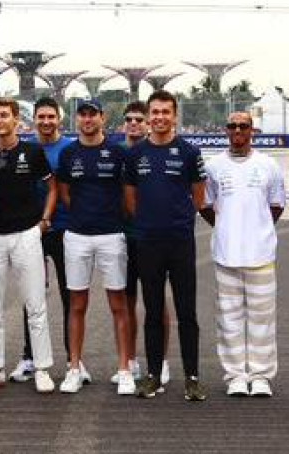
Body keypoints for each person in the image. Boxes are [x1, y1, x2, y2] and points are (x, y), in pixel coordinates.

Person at [0, 98, 57, 393]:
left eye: (4, 115)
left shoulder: (32, 151)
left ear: (17, 119)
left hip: (26, 233)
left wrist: (44, 220)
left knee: (35, 304)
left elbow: (52, 186)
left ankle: (42, 368)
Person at [125, 91, 208, 401]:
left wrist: (179, 220)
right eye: (155, 112)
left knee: (187, 311)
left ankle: (192, 377)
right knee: (153, 311)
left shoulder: (189, 152)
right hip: (148, 241)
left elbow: (198, 197)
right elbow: (131, 199)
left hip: (180, 241)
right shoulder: (136, 155)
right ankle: (153, 376)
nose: (159, 117)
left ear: (175, 116)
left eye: (165, 112)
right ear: (149, 116)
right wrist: (149, 222)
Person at [199, 111, 285, 397]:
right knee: (229, 318)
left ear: (252, 130)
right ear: (226, 130)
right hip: (226, 255)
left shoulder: (268, 165)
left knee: (262, 319)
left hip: (260, 254)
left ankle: (260, 375)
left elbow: (275, 205)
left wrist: (255, 229)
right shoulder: (213, 166)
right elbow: (205, 205)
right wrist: (226, 228)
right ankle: (235, 375)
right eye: (233, 125)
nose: (238, 130)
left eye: (243, 126)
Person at [56, 100, 133, 395]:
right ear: (78, 120)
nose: (87, 119)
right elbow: (65, 193)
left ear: (102, 118)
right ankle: (74, 367)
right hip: (76, 235)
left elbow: (127, 196)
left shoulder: (117, 153)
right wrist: (82, 215)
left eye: (93, 114)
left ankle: (124, 369)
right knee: (77, 304)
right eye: (83, 115)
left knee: (118, 304)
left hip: (112, 235)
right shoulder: (68, 153)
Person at [9, 97, 72, 384]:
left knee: (71, 297)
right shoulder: (26, 150)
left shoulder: (70, 149)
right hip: (30, 232)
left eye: (51, 117)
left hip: (65, 230)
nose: (46, 122)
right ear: (34, 119)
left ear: (59, 119)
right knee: (31, 296)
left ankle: (74, 360)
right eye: (41, 117)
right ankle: (29, 357)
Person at [117, 101, 172, 386]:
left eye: (140, 119)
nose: (135, 123)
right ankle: (129, 361)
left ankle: (160, 361)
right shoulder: (116, 153)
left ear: (148, 122)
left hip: (151, 238)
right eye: (130, 119)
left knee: (157, 302)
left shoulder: (158, 152)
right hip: (122, 237)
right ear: (123, 123)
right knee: (126, 303)